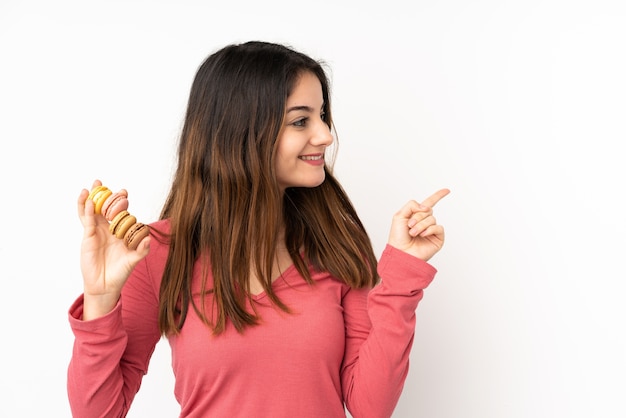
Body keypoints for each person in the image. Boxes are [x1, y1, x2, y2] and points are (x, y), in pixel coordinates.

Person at [67, 40, 450, 418]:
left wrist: (401, 276)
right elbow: (97, 413)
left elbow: (371, 407)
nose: (325, 135)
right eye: (301, 120)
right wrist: (100, 299)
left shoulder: (337, 246)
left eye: (322, 116)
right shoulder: (158, 253)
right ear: (241, 132)